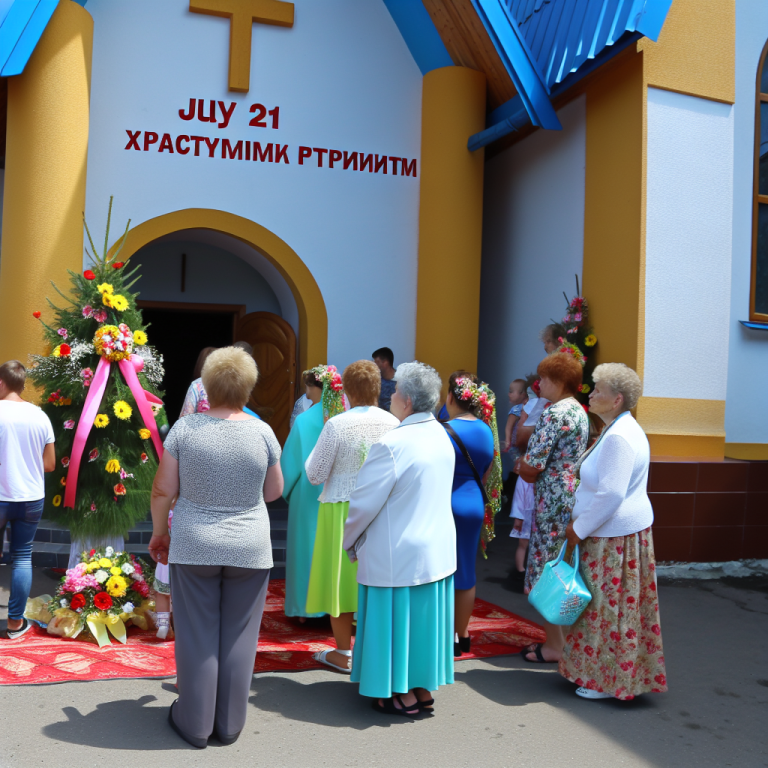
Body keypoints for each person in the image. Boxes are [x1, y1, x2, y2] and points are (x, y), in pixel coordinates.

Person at [148, 347, 283, 748]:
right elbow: (273, 492)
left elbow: (162, 490)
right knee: (241, 635)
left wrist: (160, 533)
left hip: (195, 542)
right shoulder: (263, 431)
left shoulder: (185, 430)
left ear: (205, 386)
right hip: (249, 546)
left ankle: (195, 722)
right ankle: (229, 723)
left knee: (197, 633)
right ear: (248, 387)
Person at [344, 362, 456, 716]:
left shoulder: (393, 443)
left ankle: (397, 689)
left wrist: (350, 540)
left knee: (396, 622)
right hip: (434, 545)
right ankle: (420, 686)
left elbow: (363, 503)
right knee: (421, 624)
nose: (390, 397)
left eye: (394, 393)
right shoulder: (441, 434)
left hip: (397, 549)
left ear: (406, 401)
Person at [560, 363, 667, 700]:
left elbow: (611, 494)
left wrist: (578, 529)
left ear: (617, 399)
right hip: (619, 533)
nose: (591, 394)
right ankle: (613, 678)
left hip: (613, 537)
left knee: (605, 610)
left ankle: (604, 682)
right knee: (616, 610)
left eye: (598, 390)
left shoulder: (619, 436)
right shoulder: (621, 428)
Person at [305, 360, 398, 673]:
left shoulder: (337, 424)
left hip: (341, 510)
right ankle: (377, 652)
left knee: (341, 583)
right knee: (379, 580)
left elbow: (315, 474)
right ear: (377, 388)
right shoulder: (394, 423)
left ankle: (344, 653)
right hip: (382, 509)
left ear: (346, 389)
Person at [515, 352, 588, 664]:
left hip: (551, 499)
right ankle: (563, 642)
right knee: (562, 566)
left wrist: (521, 465)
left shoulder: (554, 413)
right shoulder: (579, 411)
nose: (538, 384)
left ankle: (555, 645)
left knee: (546, 571)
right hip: (570, 494)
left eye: (543, 378)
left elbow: (533, 466)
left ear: (558, 381)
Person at [0, 361, 56, 640]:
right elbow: (50, 464)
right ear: (23, 385)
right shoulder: (40, 416)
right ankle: (14, 624)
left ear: (1, 382)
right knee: (22, 557)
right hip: (31, 497)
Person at [442, 372, 495, 657]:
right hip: (474, 504)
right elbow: (486, 471)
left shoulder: (444, 430)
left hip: (445, 503)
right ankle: (462, 635)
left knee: (442, 569)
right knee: (465, 571)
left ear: (451, 397)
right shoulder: (486, 430)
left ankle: (443, 634)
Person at [281, 368, 326, 620]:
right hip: (338, 493)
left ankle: (305, 609)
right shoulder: (342, 417)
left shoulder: (304, 420)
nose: (306, 392)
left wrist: (285, 490)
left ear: (314, 388)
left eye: (308, 387)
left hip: (308, 493)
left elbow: (290, 463)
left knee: (307, 550)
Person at [501, 378, 528, 455]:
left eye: (511, 392)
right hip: (517, 445)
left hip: (520, 445)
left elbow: (508, 427)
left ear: (522, 394)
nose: (509, 394)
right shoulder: (516, 409)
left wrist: (507, 441)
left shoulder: (518, 409)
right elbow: (508, 427)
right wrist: (508, 441)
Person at [372, 347, 396, 412]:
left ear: (385, 363)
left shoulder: (401, 381)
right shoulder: (375, 381)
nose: (374, 366)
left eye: (376, 363)